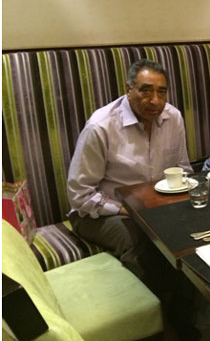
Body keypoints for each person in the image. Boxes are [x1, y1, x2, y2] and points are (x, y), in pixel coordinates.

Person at [67, 59, 192, 295]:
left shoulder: (173, 118)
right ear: (128, 89)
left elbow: (182, 169)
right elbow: (80, 195)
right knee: (145, 240)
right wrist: (130, 211)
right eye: (146, 91)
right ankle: (169, 314)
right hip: (98, 214)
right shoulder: (101, 126)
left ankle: (204, 305)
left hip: (154, 207)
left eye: (161, 92)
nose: (155, 100)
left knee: (196, 227)